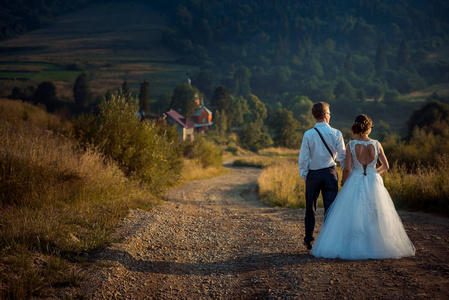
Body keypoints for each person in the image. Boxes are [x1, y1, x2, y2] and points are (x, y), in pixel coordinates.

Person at [311, 114, 415, 260]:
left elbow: (347, 168)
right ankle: (377, 245)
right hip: (373, 181)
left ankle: (356, 245)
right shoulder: (376, 144)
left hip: (355, 180)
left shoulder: (351, 145)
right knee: (376, 212)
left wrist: (343, 182)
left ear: (356, 128)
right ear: (368, 128)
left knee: (354, 213)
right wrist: (373, 172)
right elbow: (386, 166)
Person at [298, 102, 346, 250]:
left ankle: (309, 238)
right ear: (325, 115)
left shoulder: (308, 134)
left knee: (310, 208)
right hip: (330, 173)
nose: (330, 116)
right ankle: (328, 241)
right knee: (330, 208)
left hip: (313, 174)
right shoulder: (337, 133)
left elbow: (304, 158)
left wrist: (305, 174)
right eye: (329, 113)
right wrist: (344, 173)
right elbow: (342, 157)